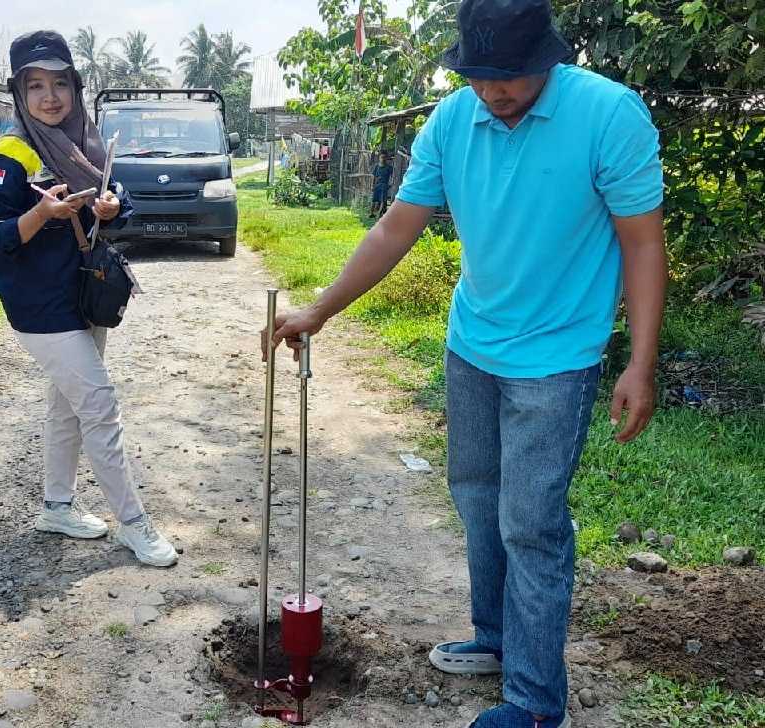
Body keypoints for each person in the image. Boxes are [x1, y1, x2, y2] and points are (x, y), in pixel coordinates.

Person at [268, 0, 665, 724]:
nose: (494, 90)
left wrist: (640, 362)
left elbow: (641, 242)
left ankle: (537, 703)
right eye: (479, 75)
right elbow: (396, 228)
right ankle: (496, 638)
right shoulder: (452, 121)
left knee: (532, 524)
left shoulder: (610, 114)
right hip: (472, 346)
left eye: (509, 75)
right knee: (477, 498)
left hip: (558, 358)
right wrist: (320, 308)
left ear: (549, 56)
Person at [0, 30, 179, 568]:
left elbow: (119, 196)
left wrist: (113, 206)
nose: (50, 97)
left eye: (60, 83)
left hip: (84, 294)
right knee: (98, 405)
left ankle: (56, 507)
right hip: (41, 308)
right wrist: (41, 214)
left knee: (65, 404)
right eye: (36, 85)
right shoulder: (10, 156)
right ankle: (134, 524)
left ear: (76, 88)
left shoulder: (85, 142)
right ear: (18, 93)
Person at [369, 151, 393, 217]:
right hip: (377, 185)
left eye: (385, 157)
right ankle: (371, 213)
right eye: (382, 157)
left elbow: (392, 177)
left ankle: (379, 213)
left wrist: (390, 184)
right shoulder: (377, 166)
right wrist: (372, 185)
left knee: (383, 200)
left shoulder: (389, 167)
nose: (383, 159)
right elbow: (373, 177)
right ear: (379, 158)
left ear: (386, 158)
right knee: (374, 199)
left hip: (384, 185)